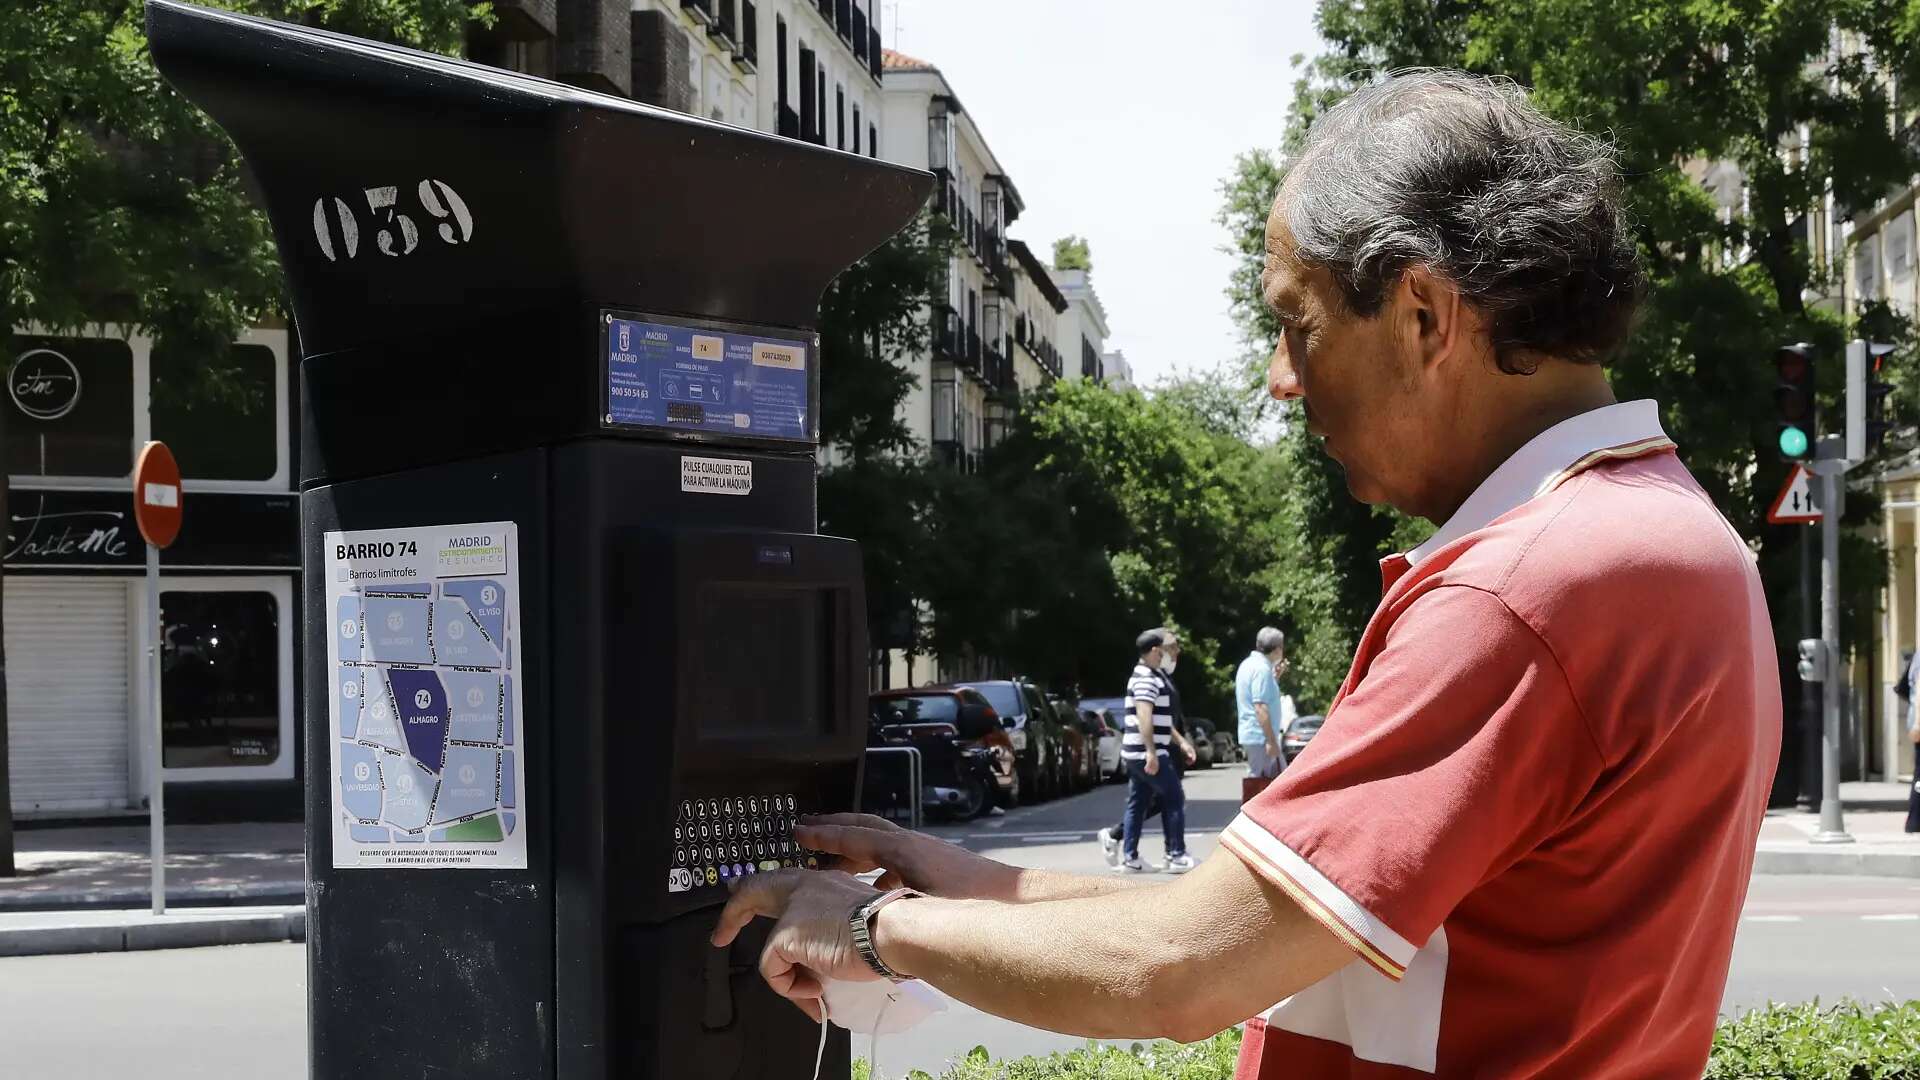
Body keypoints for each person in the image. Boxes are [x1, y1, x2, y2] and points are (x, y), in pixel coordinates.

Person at [714, 70, 1779, 1078]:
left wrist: (868, 927)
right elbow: (1243, 919)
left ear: (1424, 314)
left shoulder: (1520, 592)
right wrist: (964, 880)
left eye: (1295, 323)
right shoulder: (1677, 542)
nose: (1281, 380)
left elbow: (1180, 976)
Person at [1095, 629, 1196, 867]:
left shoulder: (1151, 674)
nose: (1167, 654)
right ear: (1154, 650)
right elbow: (1144, 715)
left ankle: (1130, 857)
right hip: (1146, 751)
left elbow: (1159, 719)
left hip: (1140, 751)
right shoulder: (1146, 678)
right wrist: (1151, 751)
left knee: (1138, 802)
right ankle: (1177, 854)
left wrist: (1180, 742)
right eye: (1164, 649)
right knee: (1174, 797)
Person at [1236, 627, 1292, 779]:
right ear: (1277, 649)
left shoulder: (1249, 664)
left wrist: (1275, 678)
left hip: (1255, 735)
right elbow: (1260, 707)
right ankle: (1251, 804)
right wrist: (1271, 741)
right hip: (1261, 737)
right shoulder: (1262, 670)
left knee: (1275, 780)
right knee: (1260, 783)